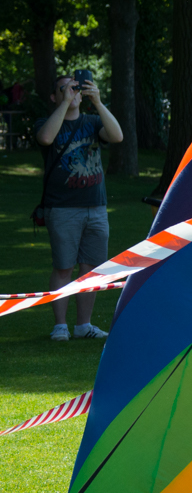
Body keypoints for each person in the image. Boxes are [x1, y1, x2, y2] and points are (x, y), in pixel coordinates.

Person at [35, 73, 124, 340]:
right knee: (64, 267)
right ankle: (60, 326)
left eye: (74, 88)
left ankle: (84, 325)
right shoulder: (46, 123)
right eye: (63, 89)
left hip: (96, 207)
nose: (71, 91)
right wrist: (66, 103)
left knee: (91, 269)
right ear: (54, 97)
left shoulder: (93, 122)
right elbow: (46, 138)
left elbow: (117, 136)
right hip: (62, 208)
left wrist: (97, 102)